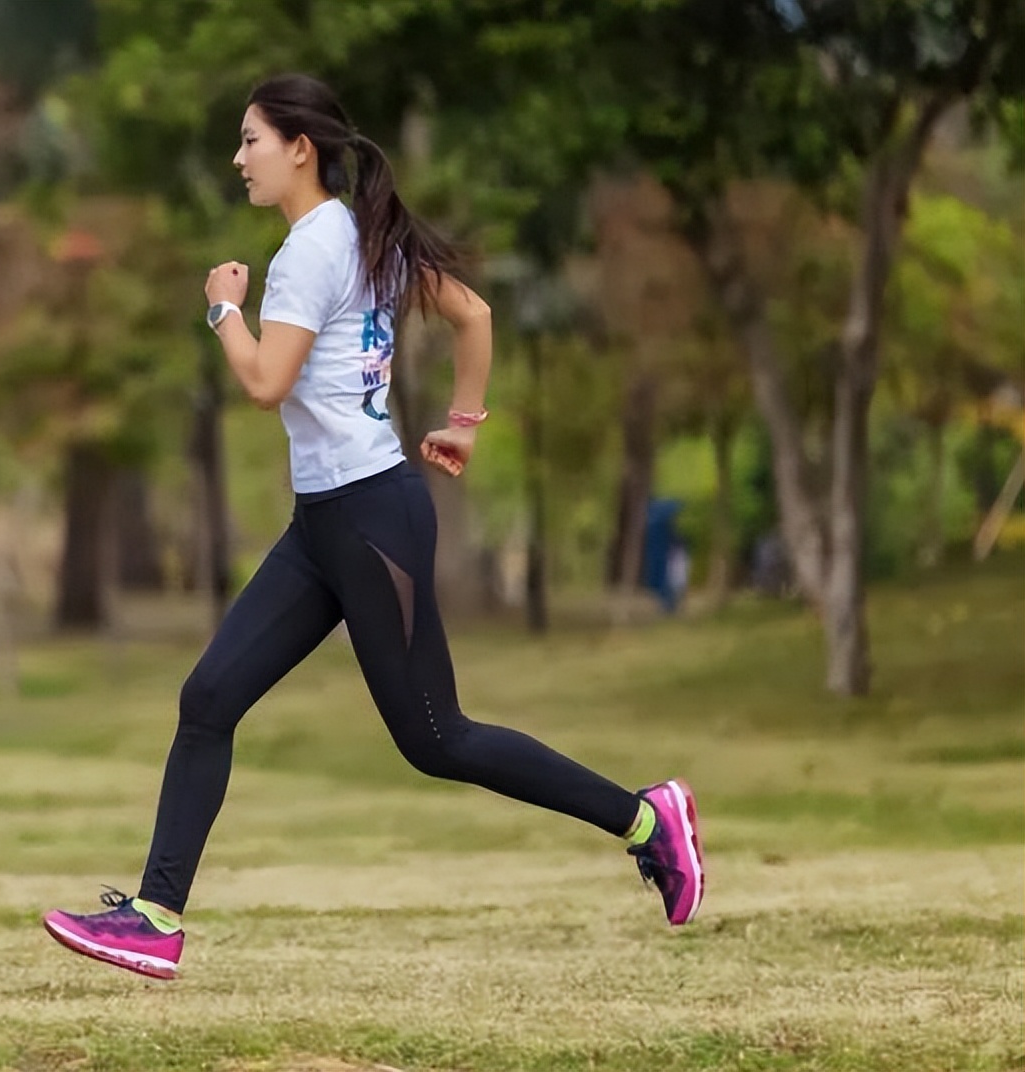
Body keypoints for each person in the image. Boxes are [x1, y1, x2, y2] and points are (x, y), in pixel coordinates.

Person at [42, 74, 704, 980]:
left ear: (299, 148)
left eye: (250, 141)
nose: (238, 159)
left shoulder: (312, 251)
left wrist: (223, 308)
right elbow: (474, 315)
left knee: (438, 738)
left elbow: (265, 382)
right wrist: (462, 424)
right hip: (326, 520)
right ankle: (155, 918)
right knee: (209, 699)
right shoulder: (362, 234)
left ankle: (645, 818)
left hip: (368, 517)